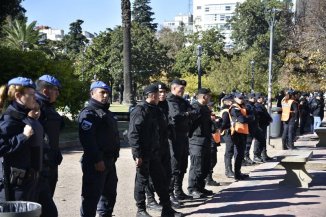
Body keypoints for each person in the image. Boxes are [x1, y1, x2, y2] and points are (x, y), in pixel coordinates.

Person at [0, 77, 58, 217]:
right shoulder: (9, 120)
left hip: (36, 180)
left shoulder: (26, 116)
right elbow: (2, 147)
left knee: (50, 213)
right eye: (31, 95)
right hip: (18, 185)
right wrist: (23, 136)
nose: (35, 98)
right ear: (18, 96)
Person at [128, 84, 183, 217]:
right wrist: (137, 154)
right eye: (158, 94)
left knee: (161, 181)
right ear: (152, 95)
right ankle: (141, 210)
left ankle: (167, 209)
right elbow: (133, 134)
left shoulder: (156, 110)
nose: (160, 96)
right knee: (142, 181)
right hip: (143, 153)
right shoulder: (140, 110)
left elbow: (162, 130)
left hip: (155, 153)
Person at [78, 81, 120, 217]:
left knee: (109, 196)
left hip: (109, 161)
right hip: (96, 162)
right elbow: (87, 140)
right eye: (102, 92)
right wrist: (97, 160)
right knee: (91, 198)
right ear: (92, 93)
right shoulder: (89, 113)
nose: (106, 95)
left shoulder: (106, 112)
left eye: (107, 92)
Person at [167, 79, 198, 201]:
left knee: (183, 165)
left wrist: (186, 114)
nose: (183, 91)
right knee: (174, 166)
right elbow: (176, 116)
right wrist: (187, 114)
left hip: (184, 136)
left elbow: (195, 112)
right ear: (173, 88)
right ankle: (170, 194)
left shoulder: (182, 101)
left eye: (183, 89)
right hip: (174, 137)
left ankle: (178, 191)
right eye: (181, 89)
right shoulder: (170, 100)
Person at [35, 74, 64, 197]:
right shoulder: (35, 108)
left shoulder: (48, 107)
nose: (58, 93)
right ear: (45, 91)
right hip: (40, 165)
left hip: (51, 162)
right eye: (56, 90)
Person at [187, 88, 215, 199]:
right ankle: (193, 189)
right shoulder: (195, 107)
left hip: (206, 139)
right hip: (196, 141)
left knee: (205, 165)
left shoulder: (204, 108)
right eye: (209, 96)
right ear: (204, 97)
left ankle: (200, 187)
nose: (210, 98)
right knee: (196, 166)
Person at [229, 93, 250, 180]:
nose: (241, 99)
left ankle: (238, 172)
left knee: (241, 154)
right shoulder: (234, 108)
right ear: (235, 98)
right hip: (237, 133)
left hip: (243, 132)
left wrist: (248, 117)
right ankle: (237, 174)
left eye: (242, 98)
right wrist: (250, 118)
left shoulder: (242, 106)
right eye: (239, 98)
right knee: (238, 154)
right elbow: (242, 119)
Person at [254, 93, 273, 161]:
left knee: (263, 140)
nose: (263, 99)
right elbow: (260, 116)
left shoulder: (261, 105)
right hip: (260, 126)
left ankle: (264, 155)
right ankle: (256, 155)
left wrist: (269, 118)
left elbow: (266, 114)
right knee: (258, 141)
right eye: (262, 97)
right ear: (259, 98)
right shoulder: (257, 106)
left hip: (263, 125)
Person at [220, 95, 235, 178]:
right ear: (226, 102)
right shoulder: (226, 111)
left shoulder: (227, 110)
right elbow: (224, 123)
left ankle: (229, 170)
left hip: (228, 132)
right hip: (227, 132)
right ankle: (228, 170)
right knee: (229, 151)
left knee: (230, 150)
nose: (232, 102)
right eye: (230, 101)